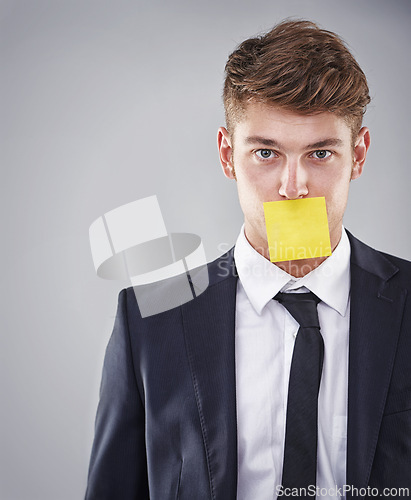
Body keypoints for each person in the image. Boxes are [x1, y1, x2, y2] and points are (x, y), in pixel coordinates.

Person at [85, 20, 411, 499]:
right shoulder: (148, 320)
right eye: (266, 153)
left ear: (358, 155)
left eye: (320, 153)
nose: (293, 187)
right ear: (227, 154)